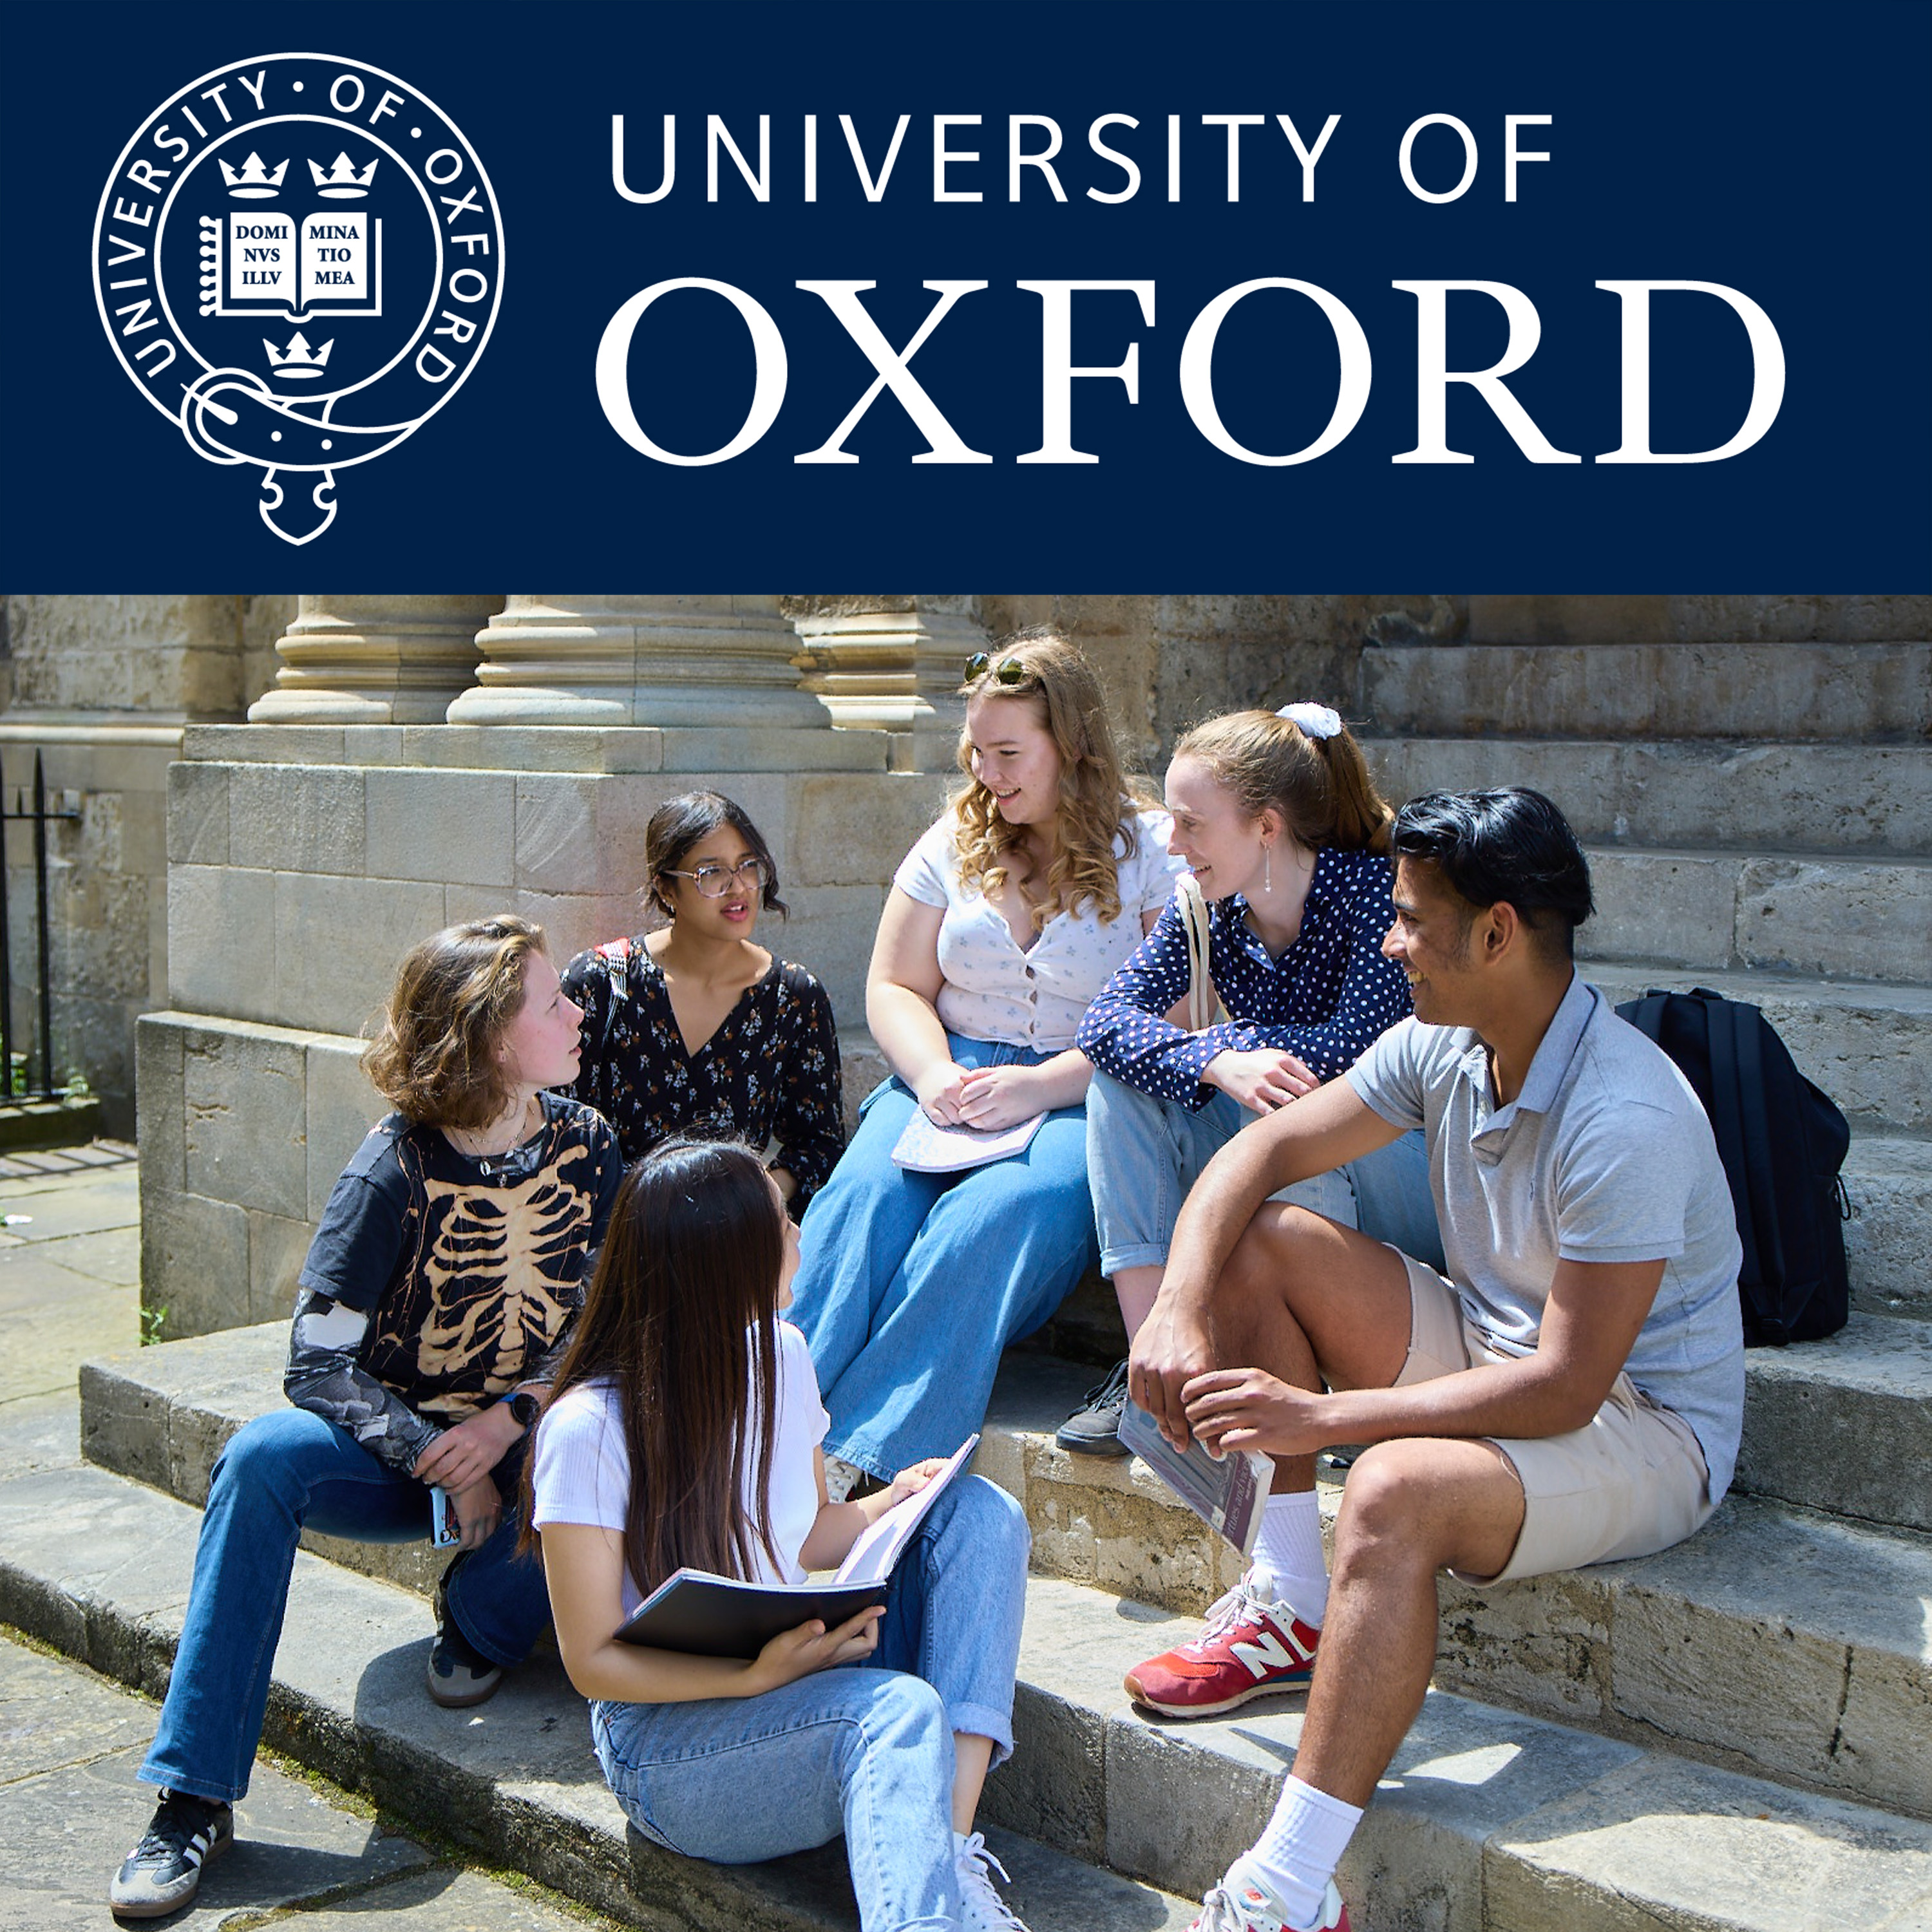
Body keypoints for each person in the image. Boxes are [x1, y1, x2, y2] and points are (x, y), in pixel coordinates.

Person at [1127, 788, 1744, 1932]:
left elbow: (1566, 1383)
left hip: (1639, 1425)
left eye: (1410, 920)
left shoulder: (1628, 1115)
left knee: (1393, 1488)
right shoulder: (1445, 1042)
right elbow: (1261, 1152)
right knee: (1264, 1246)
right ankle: (1298, 1606)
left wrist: (1330, 1423)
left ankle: (1287, 1887)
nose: (1388, 940)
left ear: (1499, 933)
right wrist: (1173, 1308)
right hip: (1499, 1347)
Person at [109, 916, 622, 1920]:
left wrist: (507, 1423)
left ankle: (480, 1616)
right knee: (260, 1460)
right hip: (399, 1453)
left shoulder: (590, 1144)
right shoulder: (391, 1168)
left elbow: (603, 1321)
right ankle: (193, 1798)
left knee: (619, 1438)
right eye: (552, 1001)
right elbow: (316, 1358)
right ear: (485, 1035)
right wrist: (437, 1449)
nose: (576, 1013)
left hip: (536, 1445)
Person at [527, 1137, 1034, 1932]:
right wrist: (757, 1677)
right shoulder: (588, 1427)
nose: (801, 1233)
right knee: (895, 1711)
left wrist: (889, 1504)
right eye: (781, 1220)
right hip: (670, 1746)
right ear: (722, 1260)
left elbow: (804, 1539)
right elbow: (592, 1663)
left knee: (980, 1514)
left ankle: (949, 1850)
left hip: (802, 1674)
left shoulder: (782, 1355)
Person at [788, 632, 1186, 1498]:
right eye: (976, 749)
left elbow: (1174, 1015)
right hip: (949, 1066)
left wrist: (1044, 1085)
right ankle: (765, 1422)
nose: (985, 772)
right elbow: (894, 983)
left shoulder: (1150, 849)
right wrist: (932, 1078)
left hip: (1092, 1085)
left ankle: (863, 1458)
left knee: (992, 1217)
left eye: (1008, 752)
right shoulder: (949, 842)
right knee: (861, 1203)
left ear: (1071, 744)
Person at [1057, 701, 1442, 1455]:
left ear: (1266, 826)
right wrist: (1215, 1058)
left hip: (1404, 1175)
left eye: (1191, 824)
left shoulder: (1373, 893)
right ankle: (1155, 1373)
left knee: (1286, 1094)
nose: (1173, 844)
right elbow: (1102, 1025)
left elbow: (1355, 1052)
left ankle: (1318, 1385)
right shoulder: (1203, 909)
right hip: (1283, 1154)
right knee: (1120, 1088)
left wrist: (1231, 1049)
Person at [562, 789, 843, 1215]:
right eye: (711, 873)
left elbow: (819, 1147)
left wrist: (747, 1202)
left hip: (729, 1245)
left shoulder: (794, 998)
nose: (738, 888)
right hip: (612, 1239)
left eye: (749, 866)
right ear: (666, 888)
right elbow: (554, 1125)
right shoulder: (599, 984)